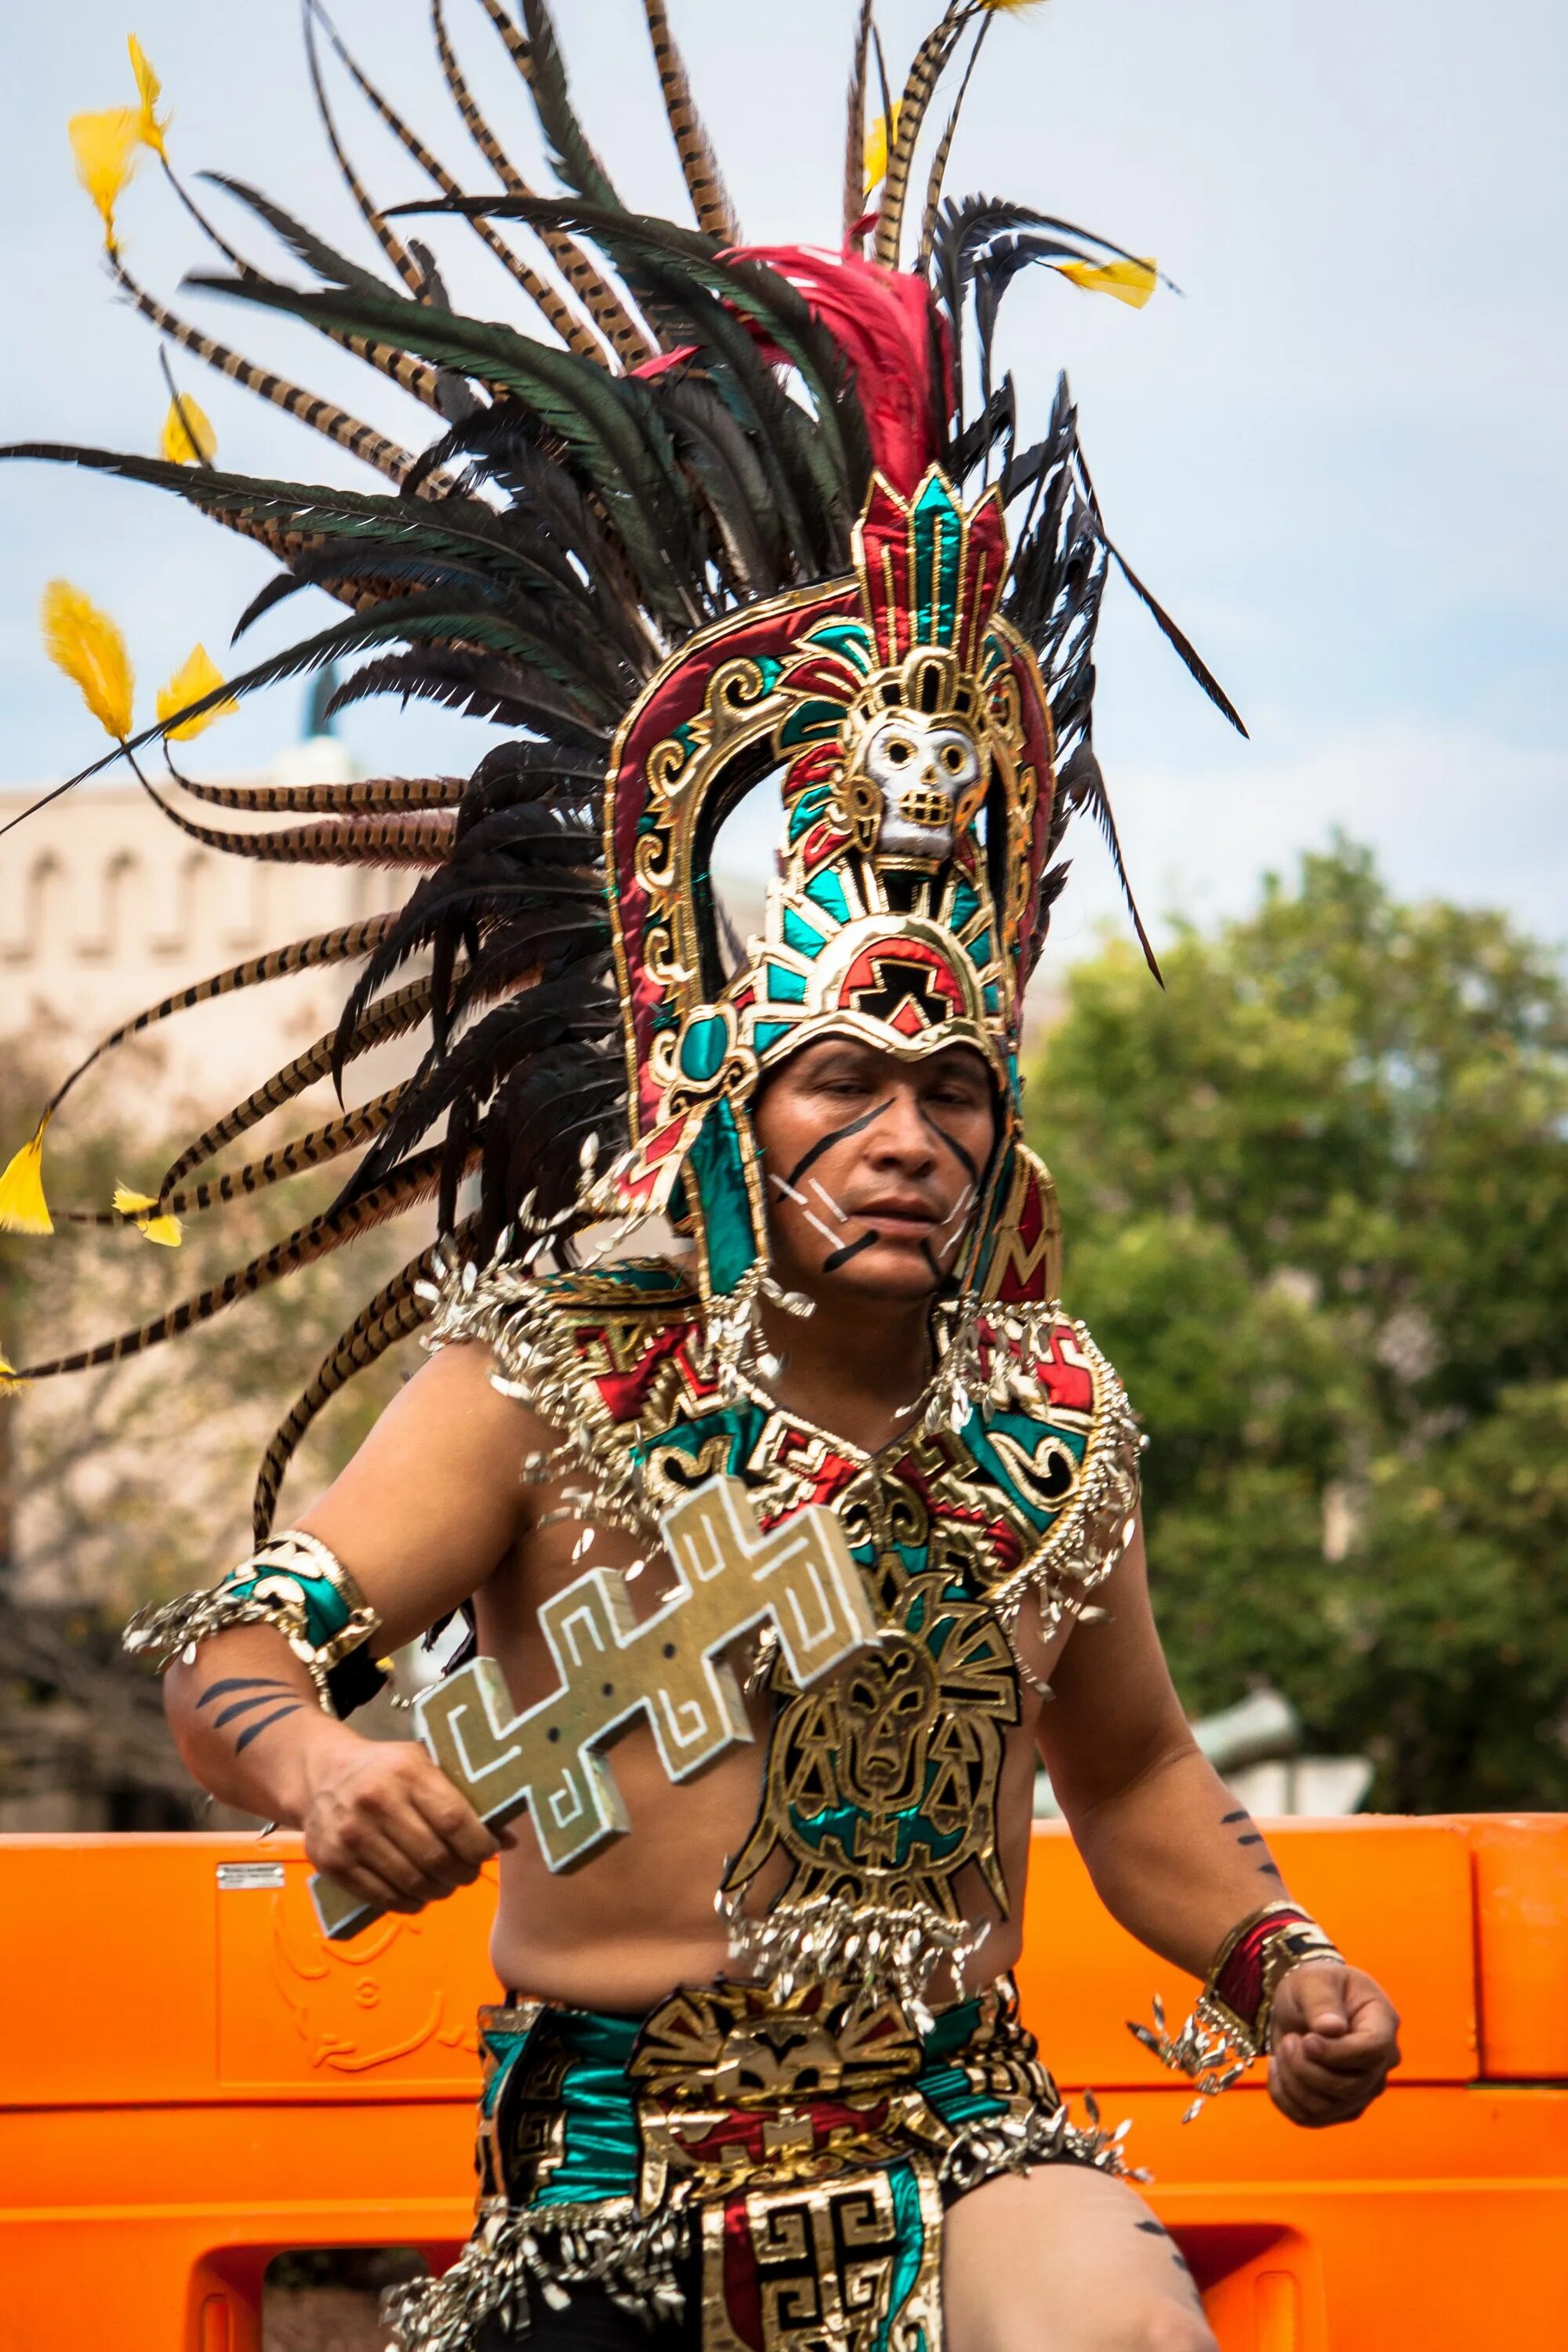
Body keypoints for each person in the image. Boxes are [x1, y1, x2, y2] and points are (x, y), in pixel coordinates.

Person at [5, 6, 1399, 2349]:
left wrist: (1287, 1963)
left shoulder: (1051, 1422)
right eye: (852, 1084)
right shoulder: (556, 1374)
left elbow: (1140, 1761)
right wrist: (329, 1762)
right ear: (736, 1104)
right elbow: (234, 1650)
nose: (909, 1137)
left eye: (957, 1097)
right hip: (616, 2174)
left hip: (966, 2133)